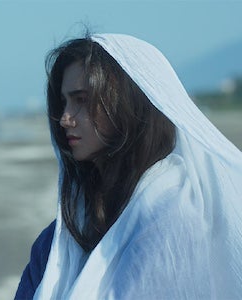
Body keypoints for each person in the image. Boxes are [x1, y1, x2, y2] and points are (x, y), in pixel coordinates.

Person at [15, 33, 242, 299]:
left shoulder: (171, 212)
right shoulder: (59, 239)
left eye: (82, 100)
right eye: (64, 101)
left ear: (128, 103)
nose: (65, 118)